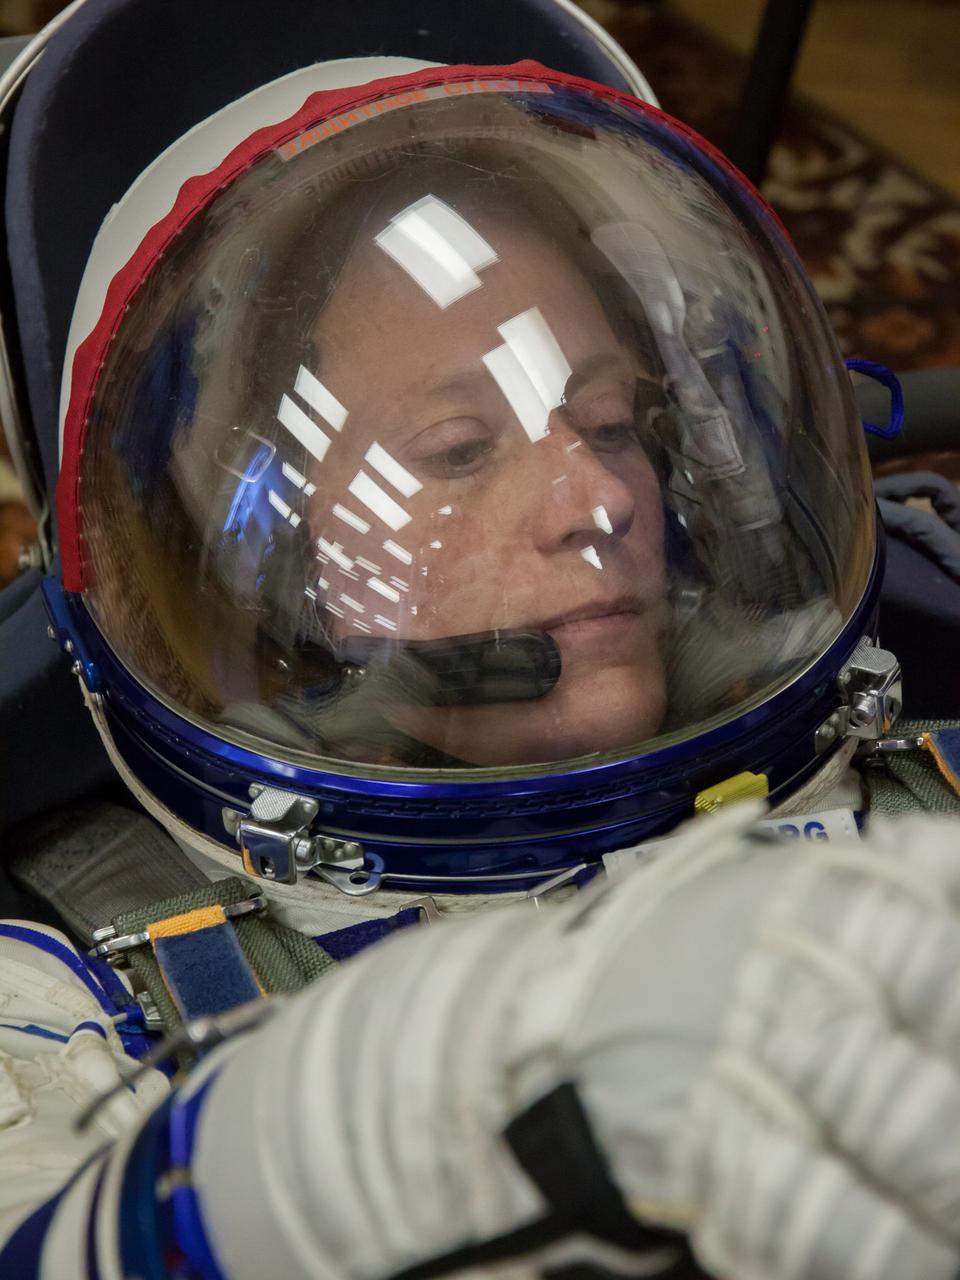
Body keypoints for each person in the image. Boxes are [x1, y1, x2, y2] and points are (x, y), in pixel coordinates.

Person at [3, 51, 960, 1280]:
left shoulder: (914, 768)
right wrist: (355, 1127)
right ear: (277, 569)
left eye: (612, 423)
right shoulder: (79, 967)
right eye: (458, 450)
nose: (600, 494)